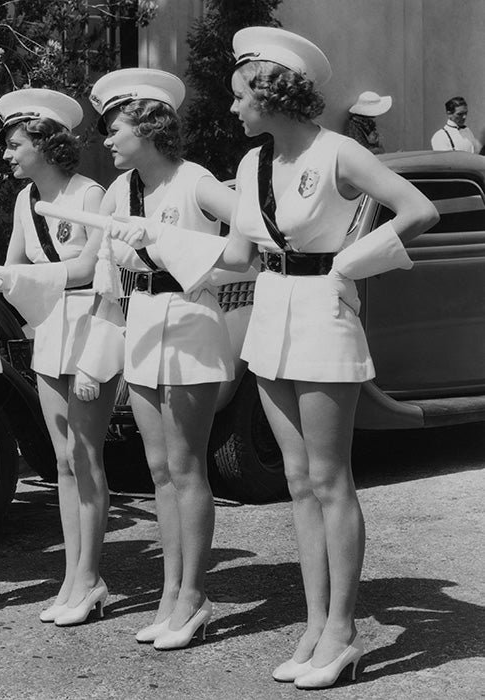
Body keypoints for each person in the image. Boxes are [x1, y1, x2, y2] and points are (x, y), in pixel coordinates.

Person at [207, 27, 437, 687]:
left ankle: (344, 630)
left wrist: (351, 264)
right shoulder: (252, 166)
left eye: (239, 96)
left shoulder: (337, 151)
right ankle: (315, 625)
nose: (233, 109)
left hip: (324, 316)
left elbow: (416, 211)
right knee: (298, 479)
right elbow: (238, 255)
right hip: (272, 314)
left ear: (272, 91)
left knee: (332, 479)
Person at [90, 69, 239, 649]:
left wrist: (190, 262)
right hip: (143, 323)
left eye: (115, 128)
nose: (107, 140)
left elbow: (251, 236)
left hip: (190, 319)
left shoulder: (195, 181)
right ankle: (170, 591)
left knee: (186, 465)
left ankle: (194, 596)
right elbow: (107, 275)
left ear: (148, 128)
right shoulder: (118, 192)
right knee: (157, 470)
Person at [0, 88, 117, 627]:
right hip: (49, 331)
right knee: (60, 461)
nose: (8, 155)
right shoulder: (22, 201)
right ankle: (72, 577)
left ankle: (90, 576)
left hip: (89, 330)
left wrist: (17, 277)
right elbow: (12, 266)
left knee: (86, 455)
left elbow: (87, 268)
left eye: (16, 145)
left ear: (44, 142)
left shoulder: (91, 196)